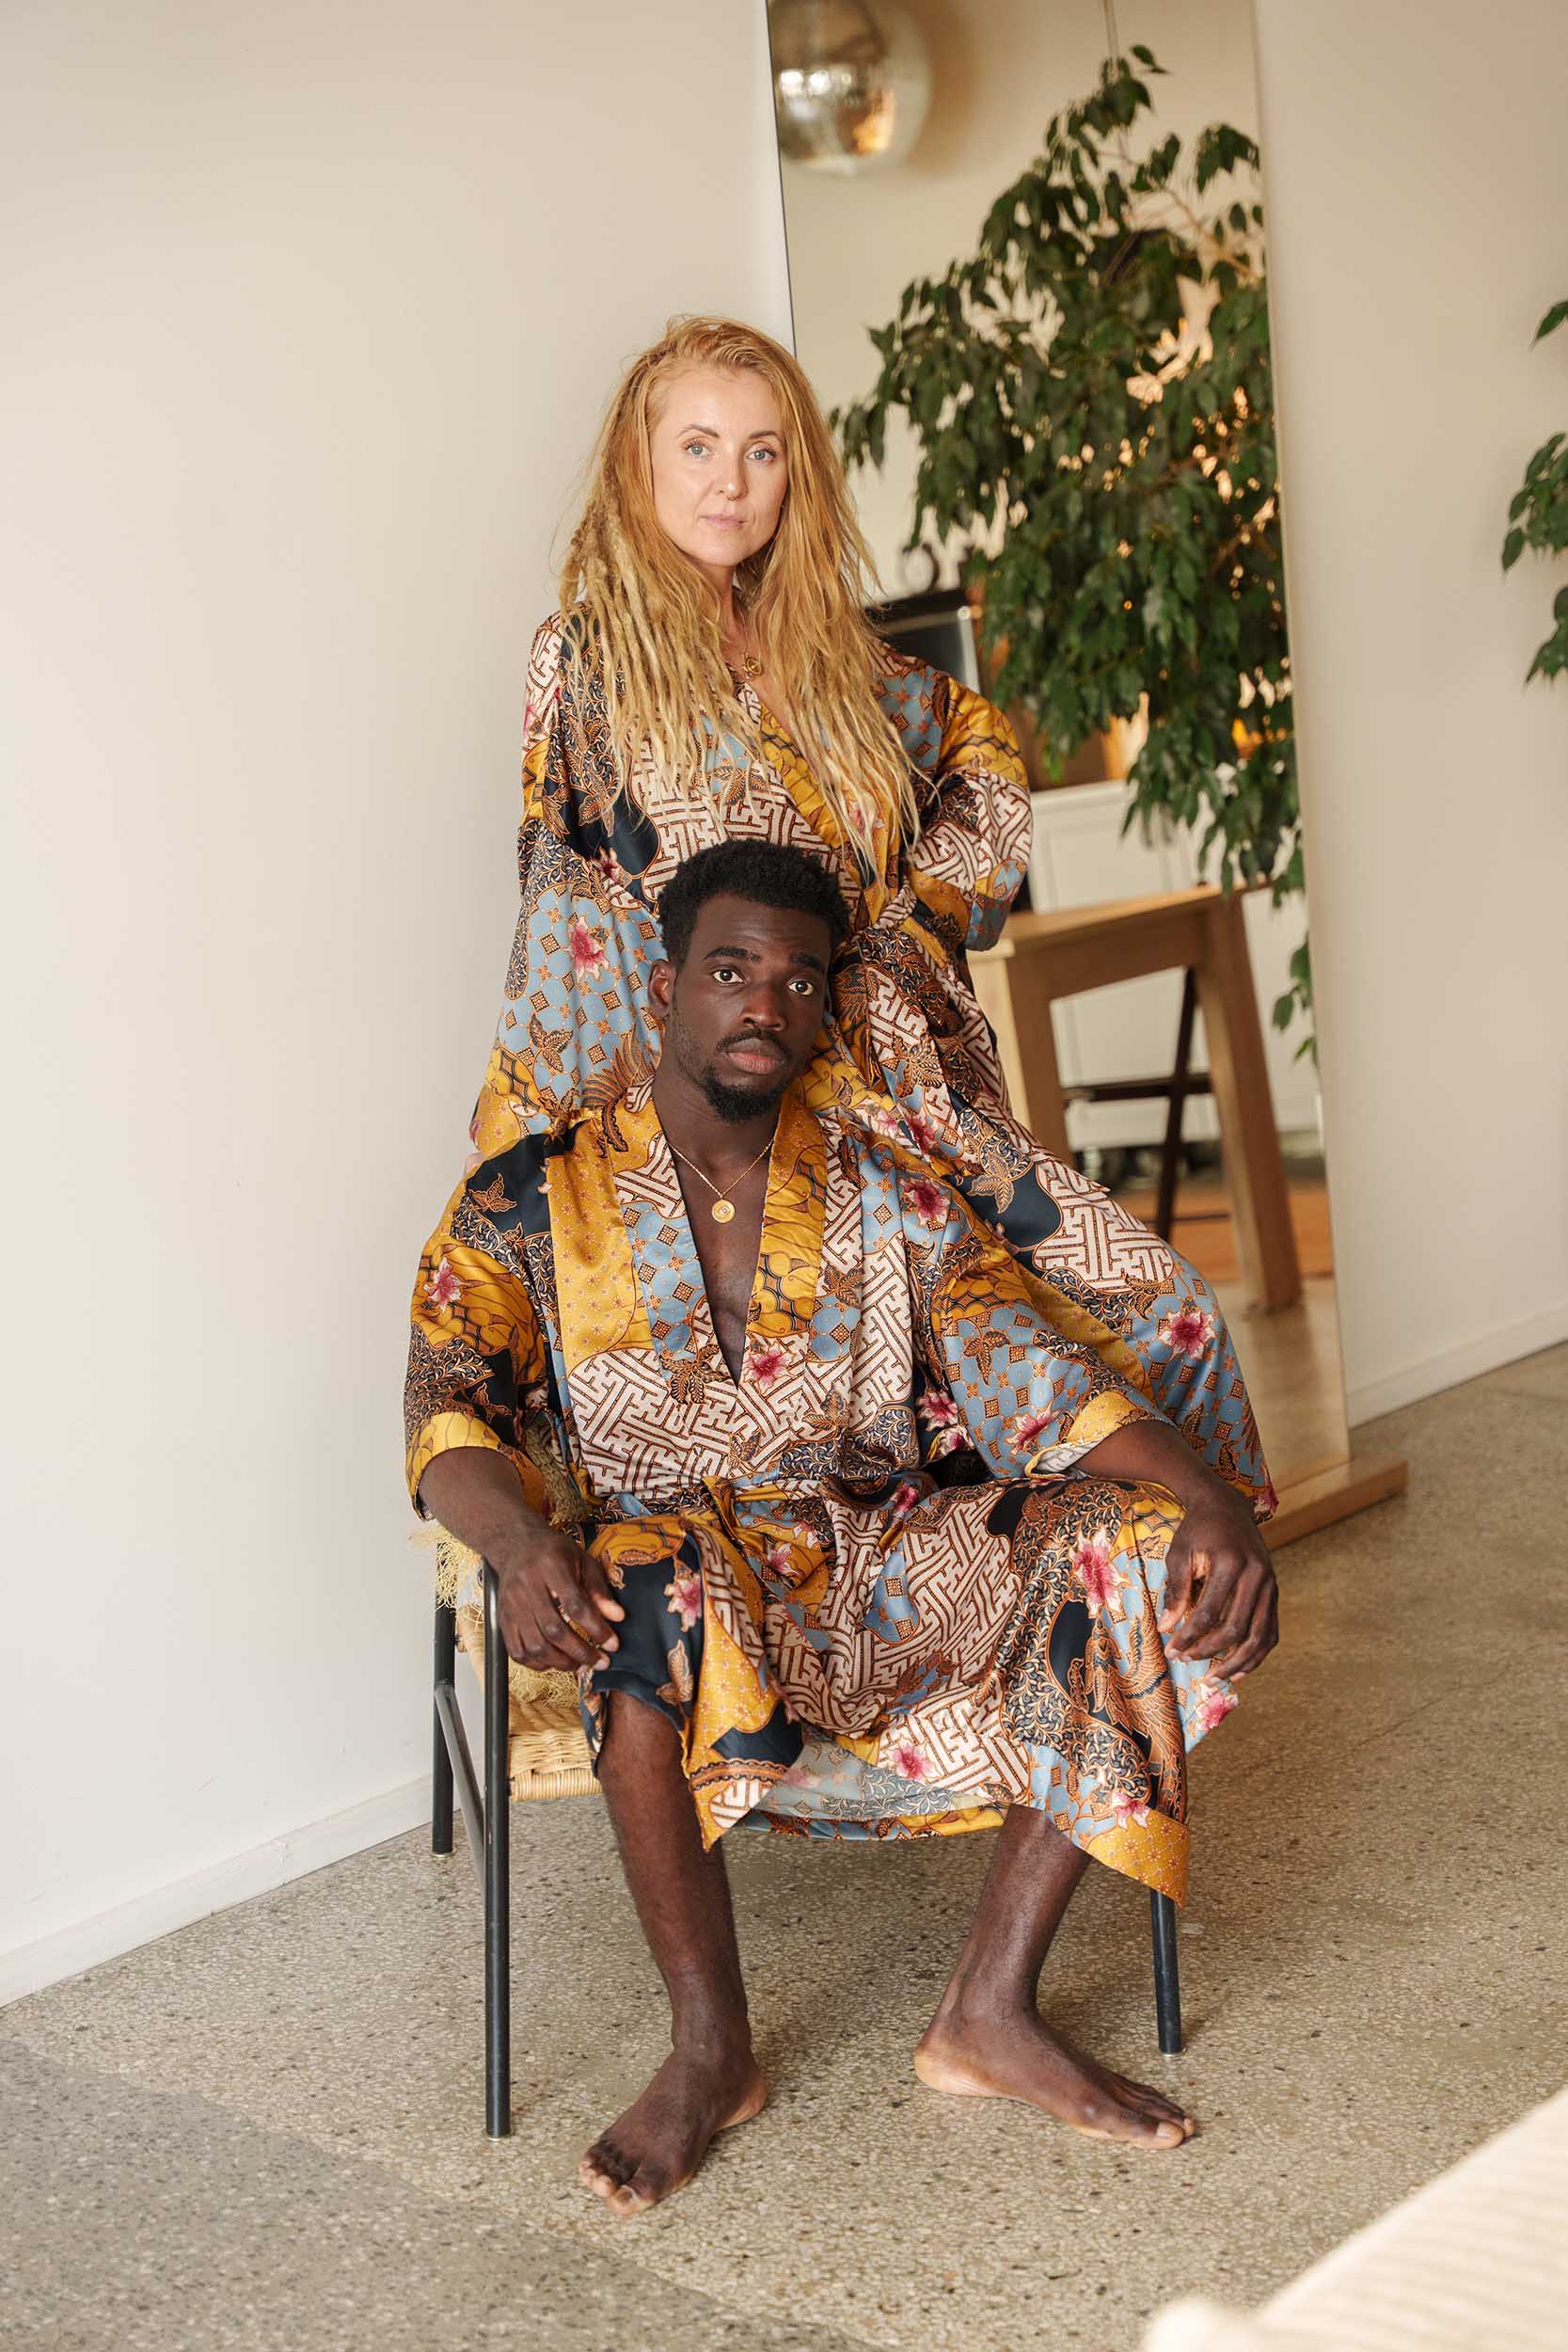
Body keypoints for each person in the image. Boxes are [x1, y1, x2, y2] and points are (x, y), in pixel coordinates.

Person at [408, 841, 1278, 2217]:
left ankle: (987, 2012)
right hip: (688, 1591)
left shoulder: (892, 1195)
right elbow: (448, 1405)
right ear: (666, 983)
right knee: (641, 1592)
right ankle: (710, 2050)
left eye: (799, 978)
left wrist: (1209, 1500)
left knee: (1122, 1538)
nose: (764, 1000)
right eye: (731, 968)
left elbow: (1043, 1387)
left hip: (880, 1564)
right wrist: (518, 1545)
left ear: (824, 1009)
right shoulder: (527, 1200)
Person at [469, 312, 1275, 1507]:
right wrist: (551, 1167)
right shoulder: (584, 664)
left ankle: (1163, 1617)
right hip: (730, 1117)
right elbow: (569, 922)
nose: (730, 484)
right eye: (696, 447)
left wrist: (911, 929)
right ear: (637, 464)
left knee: (1158, 1313)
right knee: (857, 1449)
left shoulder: (835, 658)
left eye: (761, 450)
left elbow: (982, 747)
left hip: (899, 1093)